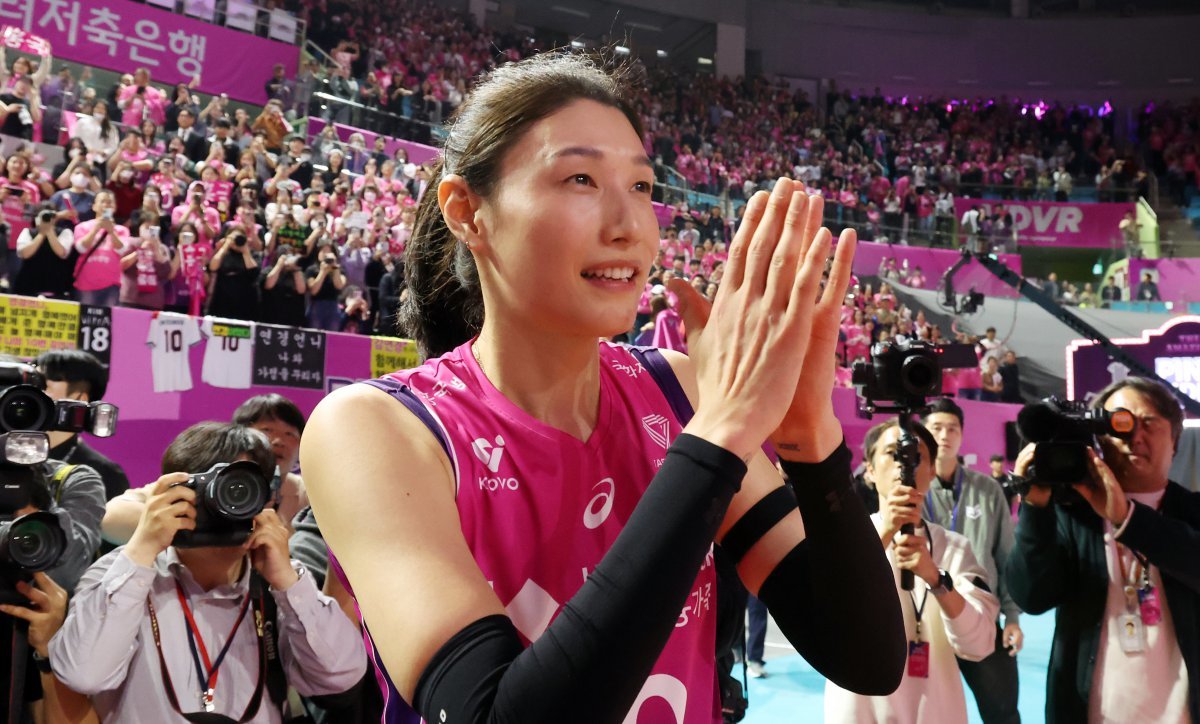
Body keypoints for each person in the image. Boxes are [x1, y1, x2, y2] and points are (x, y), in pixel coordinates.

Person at [300, 53, 906, 724]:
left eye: (643, 187)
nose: (629, 225)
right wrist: (722, 433)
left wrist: (810, 440)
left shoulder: (677, 391)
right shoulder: (374, 428)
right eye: (580, 179)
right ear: (467, 211)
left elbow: (868, 659)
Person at [49, 422, 368, 722]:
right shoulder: (123, 572)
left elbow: (339, 678)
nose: (226, 505)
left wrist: (288, 583)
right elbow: (83, 673)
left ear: (266, 497)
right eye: (208, 489)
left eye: (241, 489)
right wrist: (143, 547)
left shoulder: (281, 584)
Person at [1006, 377, 1200, 723]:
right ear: (1099, 440)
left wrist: (1127, 518)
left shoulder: (1193, 512)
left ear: (1174, 439)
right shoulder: (1073, 516)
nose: (1134, 436)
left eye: (1149, 423)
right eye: (1119, 424)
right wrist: (1035, 508)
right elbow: (1031, 597)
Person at [825, 419, 999, 723]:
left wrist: (936, 578)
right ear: (869, 470)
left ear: (931, 471)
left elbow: (980, 644)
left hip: (936, 711)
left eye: (917, 457)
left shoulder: (955, 548)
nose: (904, 465)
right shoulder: (839, 540)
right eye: (893, 453)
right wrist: (885, 534)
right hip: (860, 710)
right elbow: (826, 616)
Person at [922, 398, 1022, 724]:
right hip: (926, 623)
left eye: (952, 428)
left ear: (962, 435)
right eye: (937, 428)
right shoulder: (911, 492)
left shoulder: (987, 489)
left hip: (980, 615)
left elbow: (1006, 555)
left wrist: (1012, 617)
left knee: (1003, 712)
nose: (944, 435)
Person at [35, 349, 131, 501]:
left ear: (80, 400)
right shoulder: (7, 452)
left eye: (43, 386)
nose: (32, 393)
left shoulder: (105, 474)